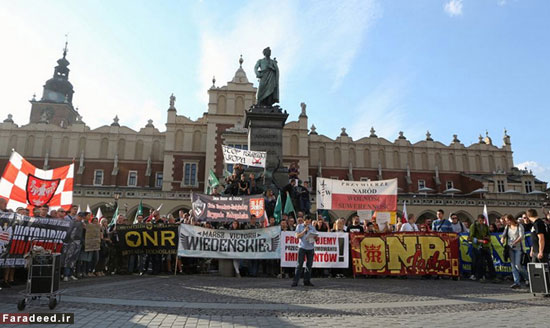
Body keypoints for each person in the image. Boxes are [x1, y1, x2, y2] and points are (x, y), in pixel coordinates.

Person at [501, 214, 529, 288]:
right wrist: (502, 238)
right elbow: (504, 234)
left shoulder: (519, 226)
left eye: (508, 221)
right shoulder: (507, 227)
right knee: (513, 266)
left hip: (518, 248)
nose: (507, 222)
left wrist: (514, 242)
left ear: (512, 219)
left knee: (518, 266)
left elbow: (521, 236)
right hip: (510, 248)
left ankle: (527, 278)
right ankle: (517, 282)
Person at [291, 215, 318, 287]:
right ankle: (295, 281)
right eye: (306, 222)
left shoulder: (312, 227)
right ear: (304, 220)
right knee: (299, 265)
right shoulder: (299, 226)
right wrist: (304, 231)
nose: (308, 223)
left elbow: (316, 238)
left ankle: (307, 281)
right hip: (302, 247)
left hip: (310, 248)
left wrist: (316, 237)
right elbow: (297, 236)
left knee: (309, 265)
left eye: (309, 222)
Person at [468, 214, 496, 282]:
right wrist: (479, 240)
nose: (482, 222)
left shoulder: (485, 226)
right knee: (480, 261)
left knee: (489, 260)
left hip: (485, 246)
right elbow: (471, 237)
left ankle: (492, 276)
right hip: (477, 246)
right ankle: (480, 276)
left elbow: (488, 234)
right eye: (480, 220)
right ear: (478, 219)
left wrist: (487, 238)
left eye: (483, 221)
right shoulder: (474, 226)